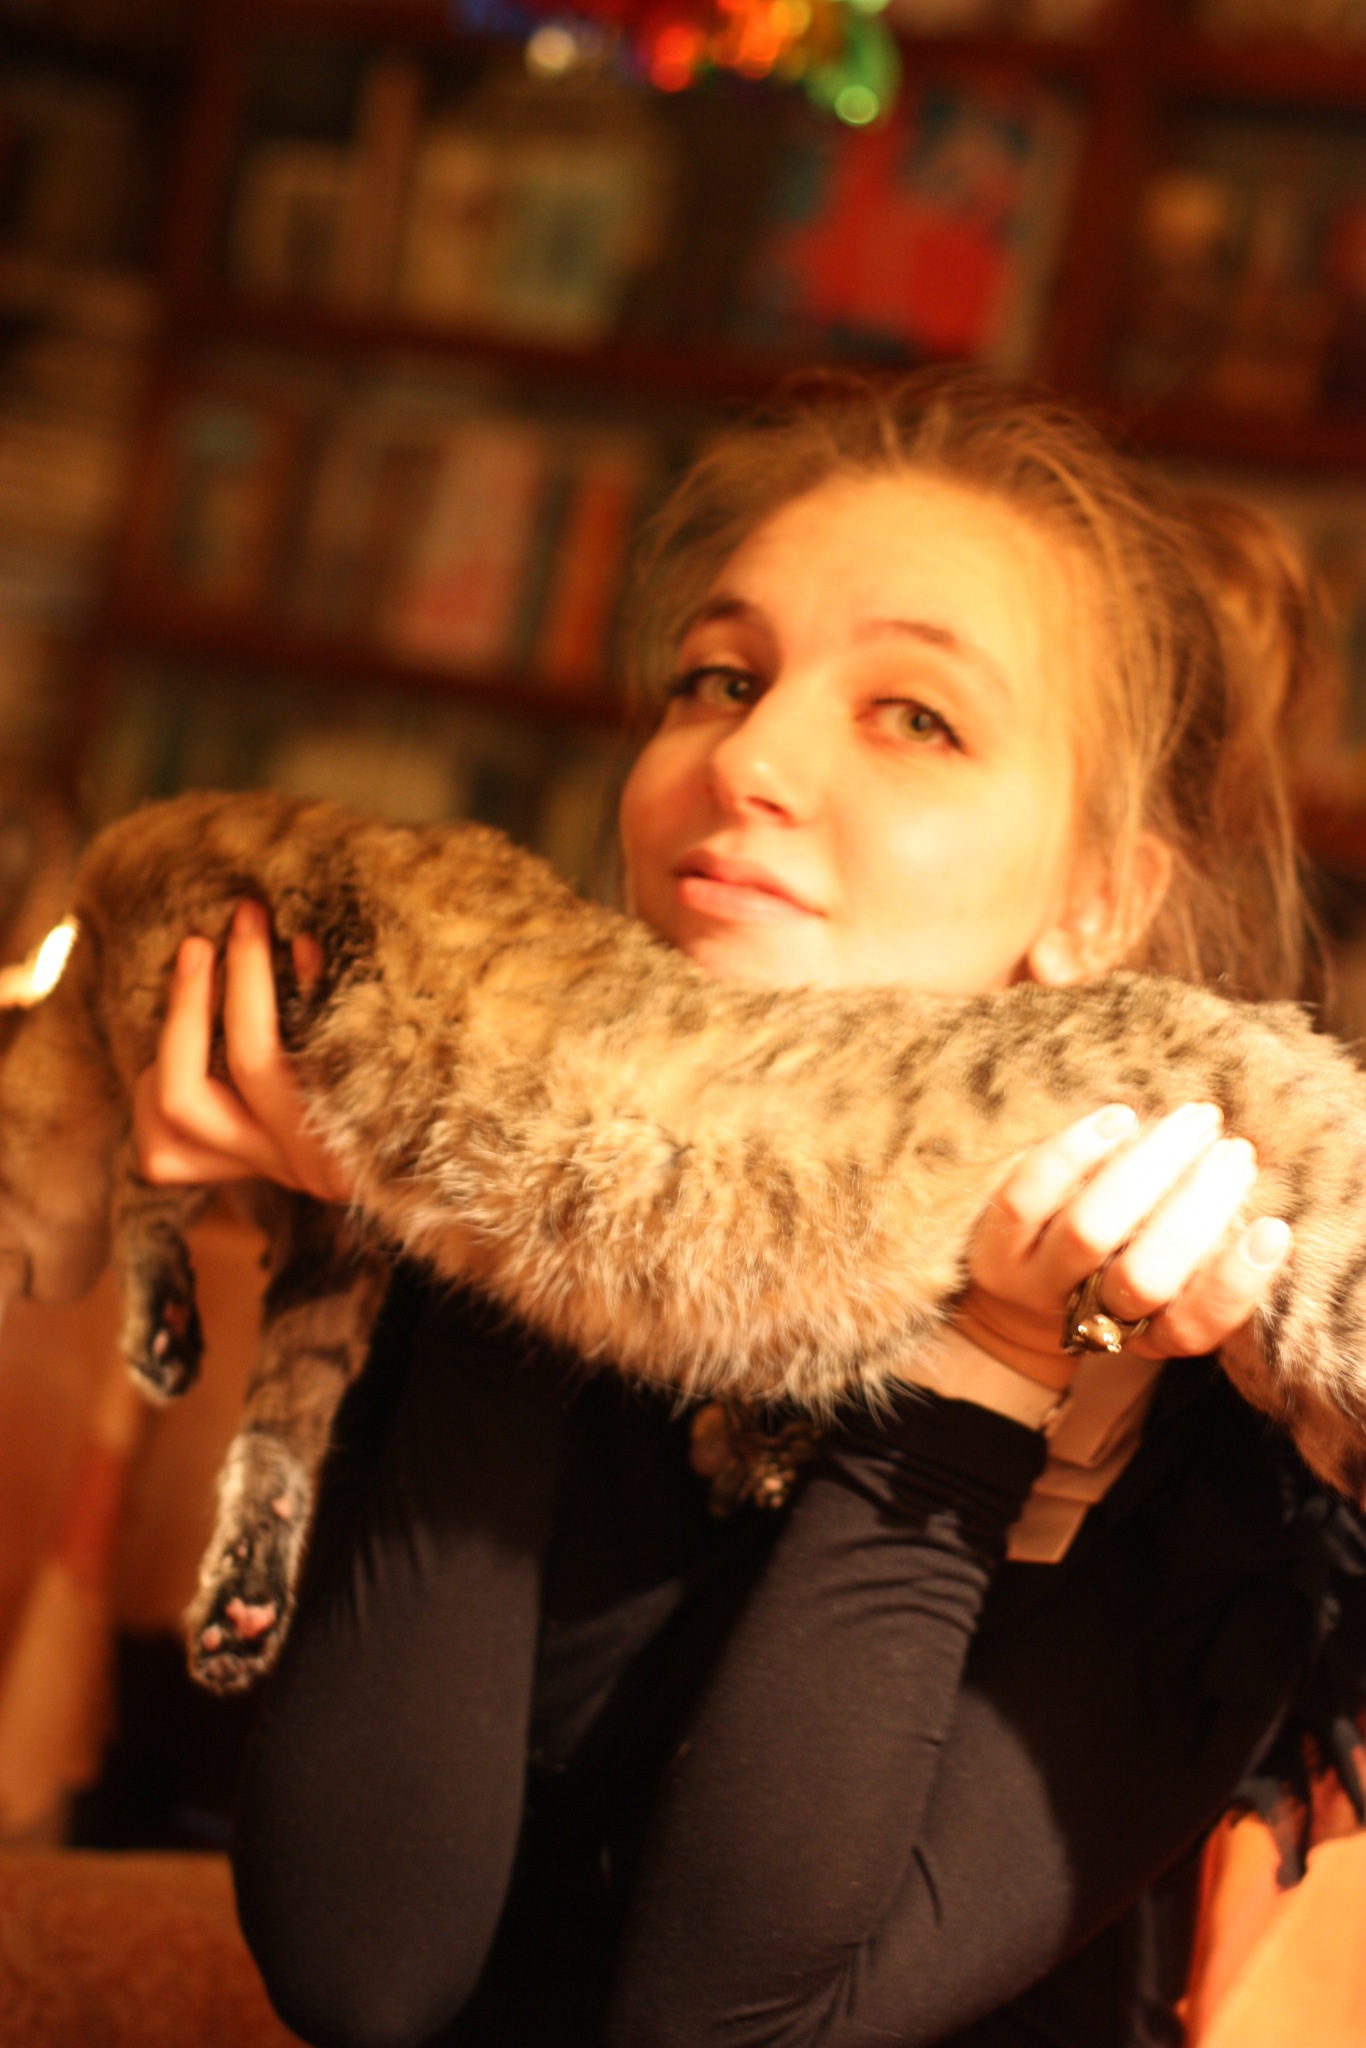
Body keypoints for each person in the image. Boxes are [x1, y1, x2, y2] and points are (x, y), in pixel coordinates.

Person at [135, 371, 1366, 2048]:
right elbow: (365, 1968)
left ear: (1097, 899)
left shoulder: (1208, 1442)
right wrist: (484, 1210)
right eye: (719, 678)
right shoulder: (515, 1219)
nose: (748, 759)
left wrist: (991, 1375)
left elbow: (724, 2028)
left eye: (914, 718)